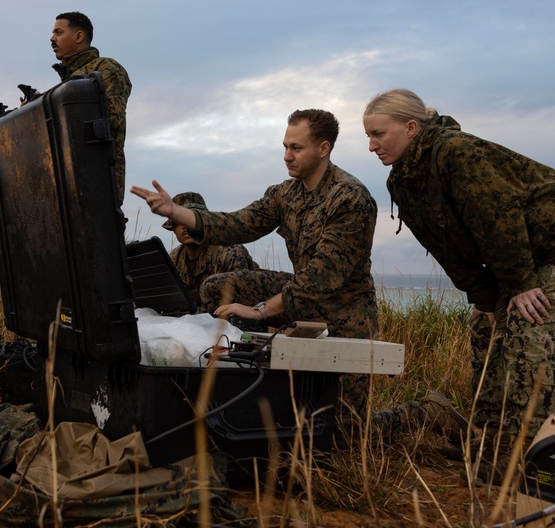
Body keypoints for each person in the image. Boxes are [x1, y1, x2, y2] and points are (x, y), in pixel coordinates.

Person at [363, 88, 555, 481]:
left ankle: (532, 457)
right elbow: (445, 248)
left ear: (411, 128)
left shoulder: (457, 153)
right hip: (521, 257)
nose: (372, 145)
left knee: (532, 324)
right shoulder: (404, 183)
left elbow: (499, 217)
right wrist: (482, 297)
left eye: (379, 134)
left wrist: (521, 284)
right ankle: (490, 439)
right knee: (485, 324)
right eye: (368, 137)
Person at [131, 109, 379, 435]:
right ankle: (237, 377)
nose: (286, 156)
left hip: (345, 313)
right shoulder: (284, 194)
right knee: (218, 287)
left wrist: (259, 311)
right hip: (300, 301)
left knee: (343, 433)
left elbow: (321, 279)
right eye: (285, 146)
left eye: (296, 148)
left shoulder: (350, 198)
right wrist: (176, 211)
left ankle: (428, 412)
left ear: (323, 148)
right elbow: (238, 225)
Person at [50, 11, 132, 200]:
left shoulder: (106, 69)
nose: (52, 38)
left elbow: (111, 120)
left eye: (58, 33)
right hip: (66, 184)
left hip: (98, 181)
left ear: (79, 36)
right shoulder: (65, 82)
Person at [162, 191, 259, 312]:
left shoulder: (229, 252)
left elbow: (241, 303)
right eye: (178, 221)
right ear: (173, 228)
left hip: (231, 326)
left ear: (203, 222)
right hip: (191, 326)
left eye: (189, 219)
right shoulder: (173, 259)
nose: (185, 226)